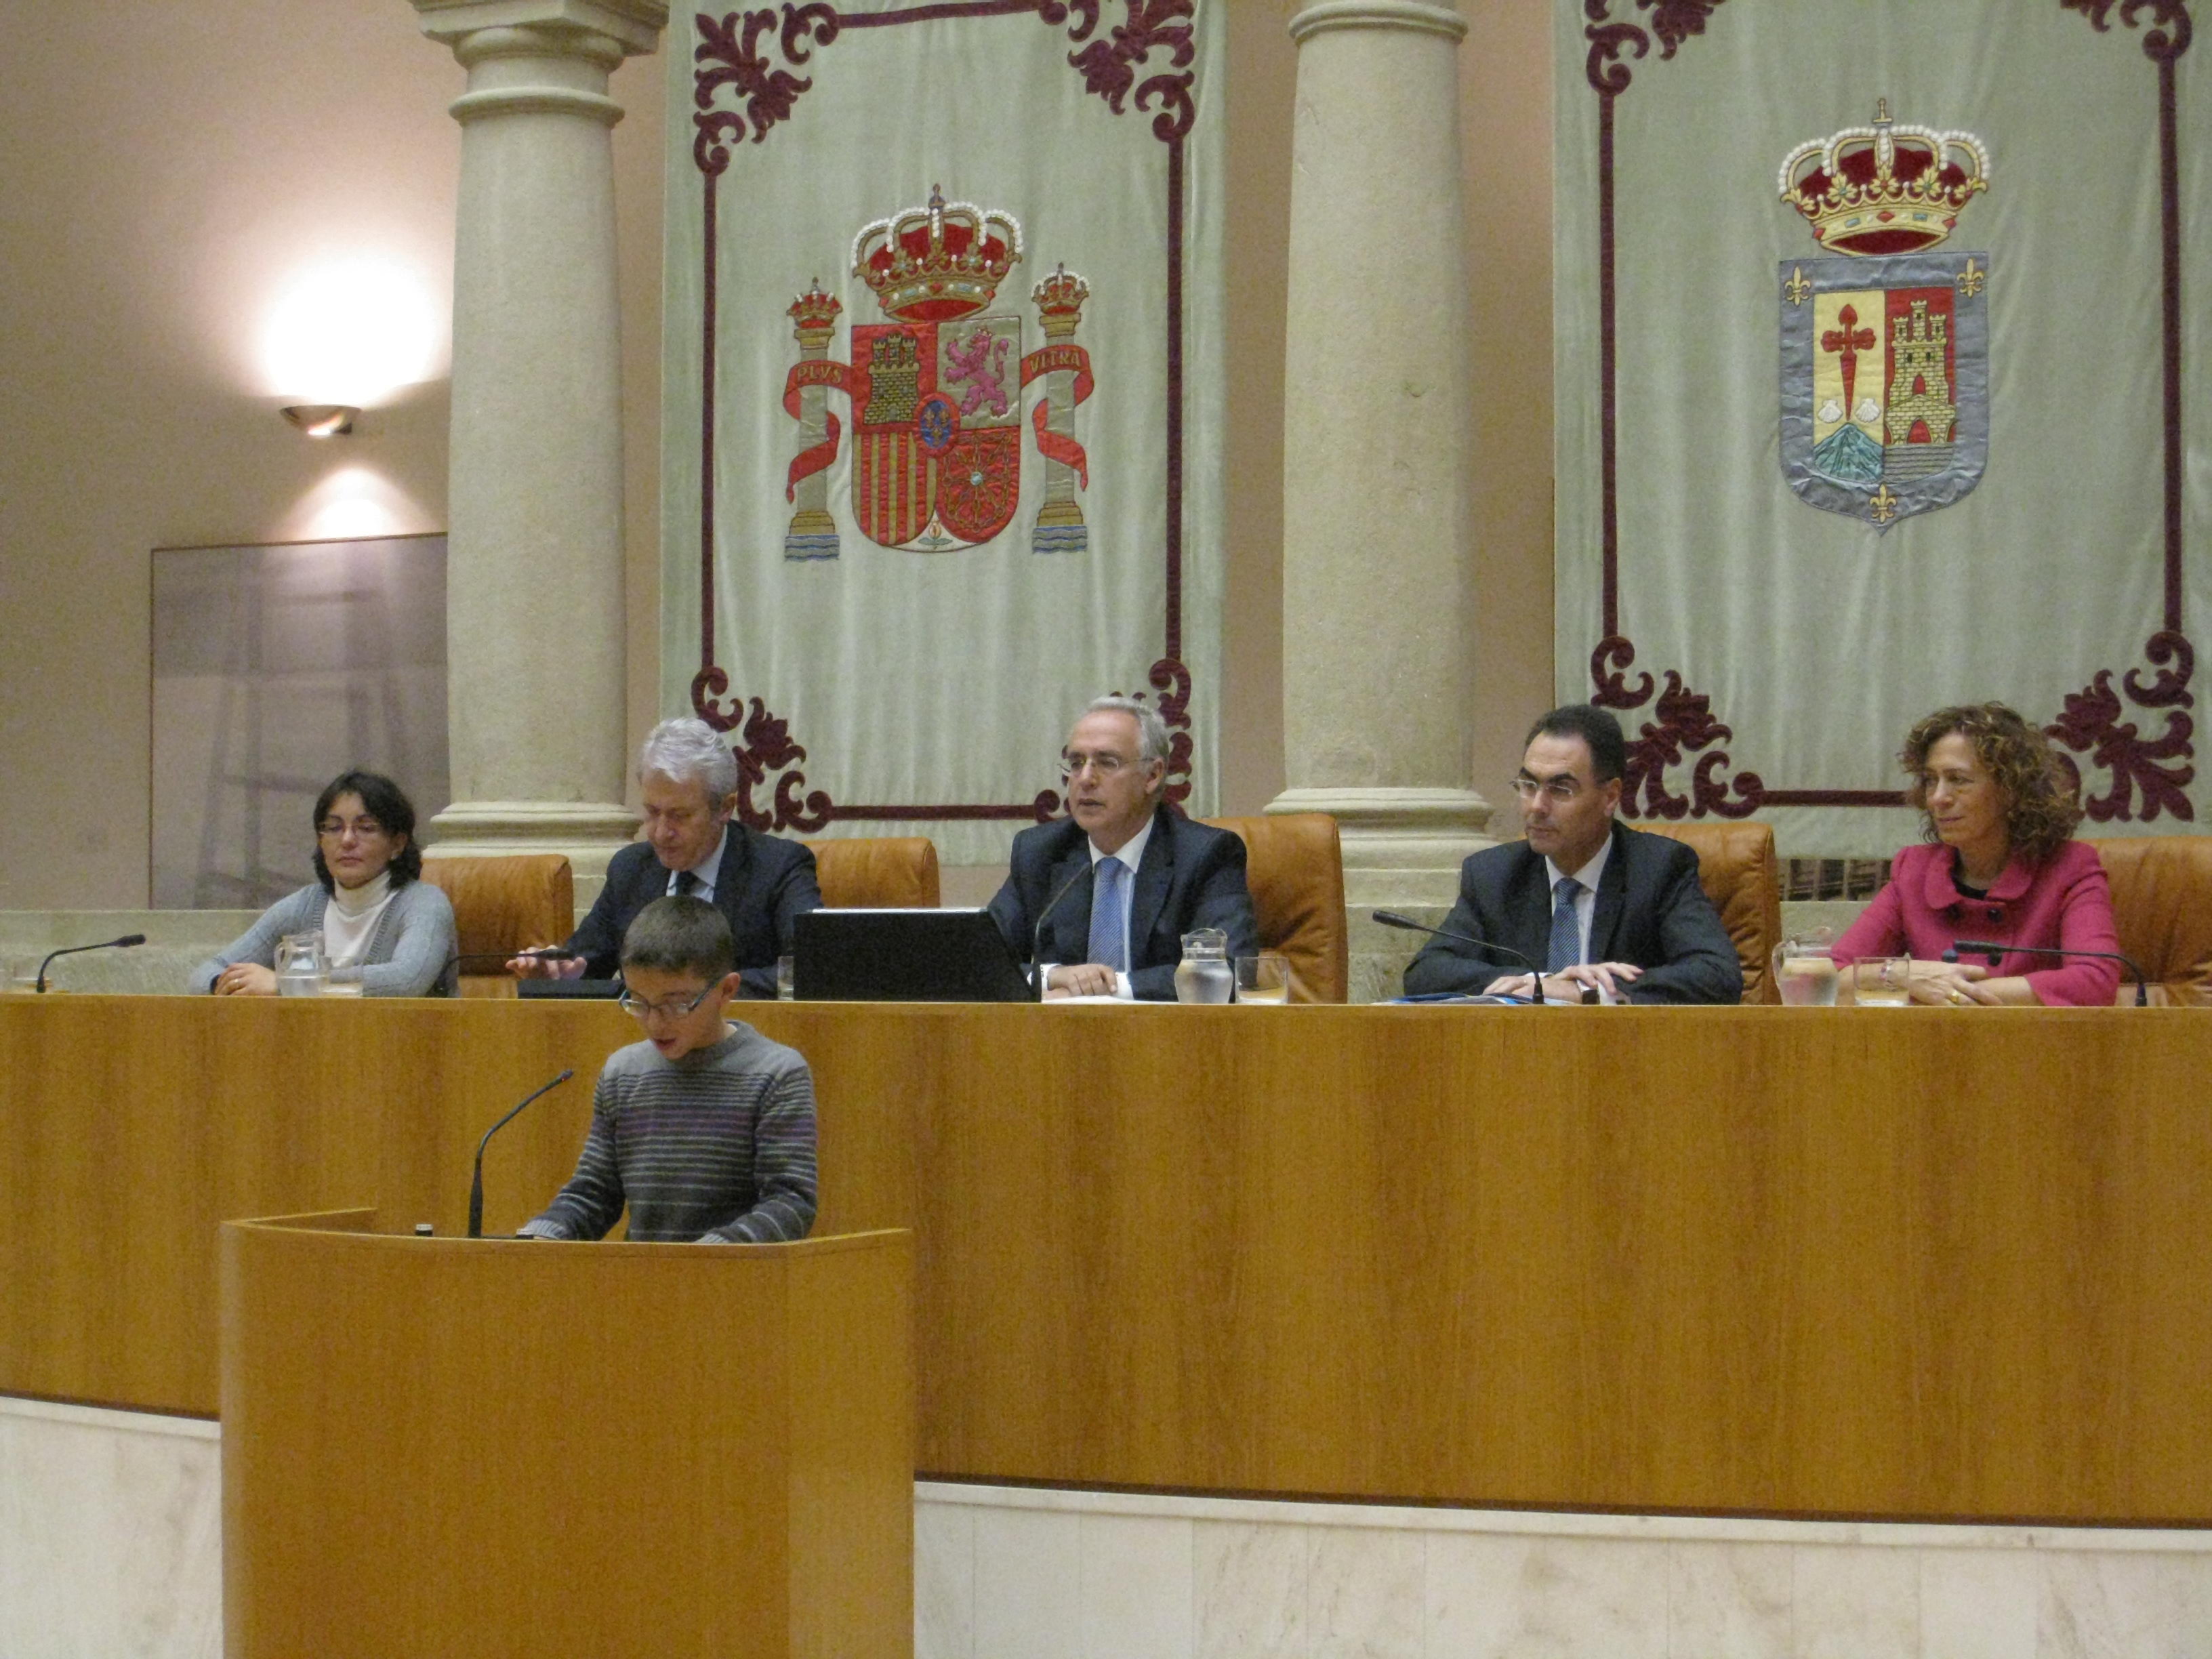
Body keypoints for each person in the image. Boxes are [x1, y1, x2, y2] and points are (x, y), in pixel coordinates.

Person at [518, 896, 818, 1243]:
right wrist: (543, 1236)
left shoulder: (777, 1073)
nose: (655, 1022)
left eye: (677, 1004)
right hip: (644, 1283)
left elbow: (791, 1203)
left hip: (738, 1284)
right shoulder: (623, 1072)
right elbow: (595, 1193)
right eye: (639, 1002)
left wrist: (712, 1253)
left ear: (726, 990)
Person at [1403, 704, 1742, 1004]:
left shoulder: (1658, 869)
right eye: (1528, 785)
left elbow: (1716, 975)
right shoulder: (1495, 874)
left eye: (1560, 789)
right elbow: (1427, 972)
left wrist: (1589, 991)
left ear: (1610, 796)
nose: (1537, 806)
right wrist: (1543, 983)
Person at [1832, 703, 2121, 1006]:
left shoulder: (2070, 867)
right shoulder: (1913, 870)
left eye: (1958, 780)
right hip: (1934, 1048)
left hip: (2035, 1047)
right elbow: (1835, 979)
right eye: (1931, 780)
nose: (1938, 798)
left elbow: (2095, 982)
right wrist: (1906, 979)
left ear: (2010, 790)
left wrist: (1949, 993)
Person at [509, 717, 819, 999]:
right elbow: (586, 963)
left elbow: (812, 971)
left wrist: (692, 993)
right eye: (652, 812)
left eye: (679, 816)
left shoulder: (778, 867)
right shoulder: (630, 869)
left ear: (725, 808)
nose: (659, 833)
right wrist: (556, 976)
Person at [987, 695, 1257, 1000]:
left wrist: (1107, 988)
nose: (1086, 779)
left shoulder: (1205, 856)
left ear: (1153, 775)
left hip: (1168, 1039)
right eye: (1076, 763)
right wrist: (1051, 976)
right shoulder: (1040, 853)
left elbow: (1227, 971)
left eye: (1107, 762)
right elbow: (980, 962)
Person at [190, 770, 457, 996]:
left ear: (397, 844)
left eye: (365, 828)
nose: (347, 840)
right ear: (321, 840)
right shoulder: (304, 906)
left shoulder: (423, 903)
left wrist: (288, 985)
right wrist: (227, 985)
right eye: (334, 828)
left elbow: (407, 979)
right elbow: (204, 974)